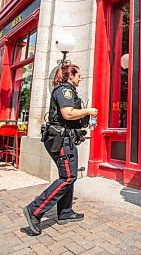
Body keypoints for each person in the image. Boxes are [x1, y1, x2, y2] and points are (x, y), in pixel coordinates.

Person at [23, 63, 98, 236]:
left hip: (66, 139)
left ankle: (65, 212)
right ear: (70, 75)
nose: (80, 77)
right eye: (78, 74)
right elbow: (68, 113)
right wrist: (88, 111)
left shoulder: (68, 91)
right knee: (68, 177)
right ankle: (34, 211)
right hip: (61, 140)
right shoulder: (64, 90)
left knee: (68, 176)